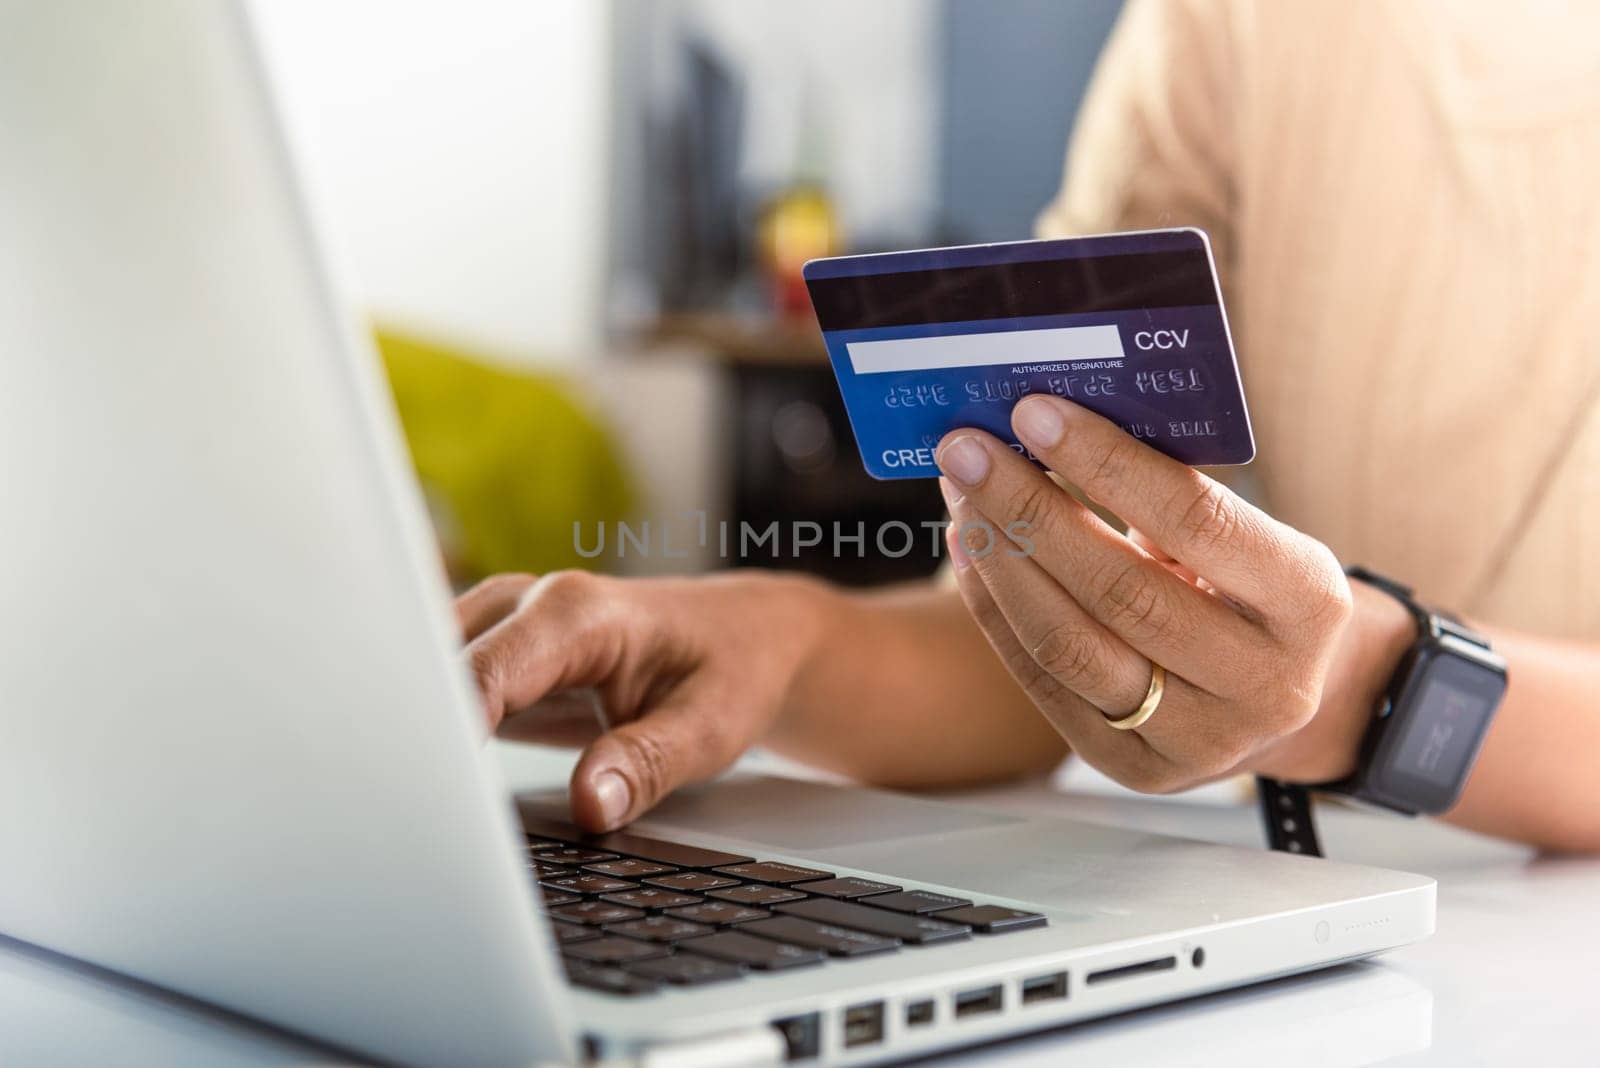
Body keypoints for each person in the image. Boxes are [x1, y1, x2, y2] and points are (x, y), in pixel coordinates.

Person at [459, 0, 1600, 852]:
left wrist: (1374, 695)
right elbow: (1054, 655)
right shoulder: (1226, 27)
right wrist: (776, 647)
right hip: (1308, 911)